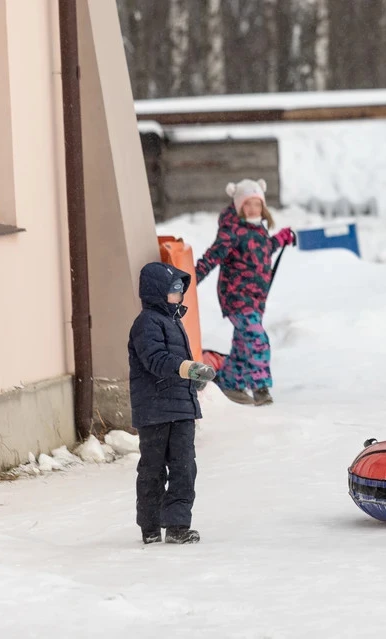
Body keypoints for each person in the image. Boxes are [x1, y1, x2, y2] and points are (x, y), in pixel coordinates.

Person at [129, 262, 217, 544]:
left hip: (180, 408)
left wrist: (193, 379)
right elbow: (155, 360)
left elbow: (175, 363)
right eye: (174, 290)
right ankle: (151, 526)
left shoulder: (173, 321)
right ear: (157, 292)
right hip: (154, 411)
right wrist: (188, 368)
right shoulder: (146, 323)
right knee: (153, 469)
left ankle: (178, 525)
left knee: (184, 467)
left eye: (180, 290)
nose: (179, 295)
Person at [195, 179, 296, 406]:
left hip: (256, 300)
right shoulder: (231, 231)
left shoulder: (257, 229)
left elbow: (264, 250)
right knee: (257, 339)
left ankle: (230, 383)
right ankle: (261, 388)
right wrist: (190, 279)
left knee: (243, 345)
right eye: (247, 204)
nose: (253, 209)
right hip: (236, 298)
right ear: (239, 205)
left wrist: (280, 238)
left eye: (257, 204)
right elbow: (212, 256)